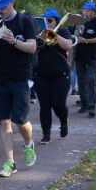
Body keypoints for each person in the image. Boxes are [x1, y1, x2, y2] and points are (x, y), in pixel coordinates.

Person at [0, 0, 38, 177]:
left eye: (3, 7)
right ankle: (10, 162)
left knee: (20, 121)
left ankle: (28, 143)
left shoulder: (25, 21)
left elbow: (32, 48)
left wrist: (14, 41)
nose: (0, 11)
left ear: (12, 2)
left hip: (20, 77)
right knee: (4, 120)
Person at [35, 8, 72, 144]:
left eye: (49, 20)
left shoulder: (63, 31)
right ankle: (46, 134)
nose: (47, 23)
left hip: (60, 74)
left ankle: (63, 121)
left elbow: (68, 45)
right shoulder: (37, 34)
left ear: (56, 21)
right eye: (44, 21)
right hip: (41, 74)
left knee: (58, 104)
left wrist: (53, 34)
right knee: (44, 105)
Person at [74, 1, 96, 117]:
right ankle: (84, 104)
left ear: (93, 12)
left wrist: (85, 40)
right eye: (84, 10)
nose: (85, 12)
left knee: (90, 79)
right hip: (80, 55)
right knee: (81, 81)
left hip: (93, 55)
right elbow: (72, 36)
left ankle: (92, 106)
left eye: (88, 11)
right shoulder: (78, 22)